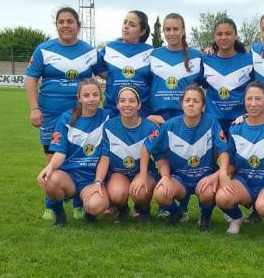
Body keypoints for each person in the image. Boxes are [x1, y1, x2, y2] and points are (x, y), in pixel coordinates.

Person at [25, 6, 101, 221]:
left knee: (79, 156)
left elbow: (106, 73)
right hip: (49, 114)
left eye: (70, 21)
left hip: (80, 116)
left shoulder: (89, 51)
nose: (66, 25)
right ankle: (52, 203)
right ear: (56, 25)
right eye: (61, 22)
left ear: (78, 25)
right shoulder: (43, 49)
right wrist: (34, 108)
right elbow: (31, 79)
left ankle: (78, 202)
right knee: (53, 158)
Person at [142, 84, 229, 231]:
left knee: (208, 193)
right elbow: (146, 146)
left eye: (196, 101)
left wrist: (221, 174)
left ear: (202, 106)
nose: (191, 103)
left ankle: (205, 216)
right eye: (187, 100)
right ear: (181, 104)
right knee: (160, 192)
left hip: (204, 177)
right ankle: (176, 213)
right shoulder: (170, 125)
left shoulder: (211, 122)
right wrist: (149, 176)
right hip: (179, 179)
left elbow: (224, 151)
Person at [215, 81, 264, 239]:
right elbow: (230, 161)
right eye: (249, 99)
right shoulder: (235, 128)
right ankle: (237, 218)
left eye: (258, 99)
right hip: (244, 182)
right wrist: (221, 175)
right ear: (244, 101)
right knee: (222, 197)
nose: (253, 103)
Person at [36, 78, 108, 226]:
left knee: (97, 206)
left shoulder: (107, 117)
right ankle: (59, 213)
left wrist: (98, 182)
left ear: (101, 97)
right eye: (86, 95)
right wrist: (50, 167)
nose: (91, 99)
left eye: (95, 95)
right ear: (79, 98)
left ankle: (89, 210)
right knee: (50, 180)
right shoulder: (66, 118)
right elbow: (60, 152)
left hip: (91, 178)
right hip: (69, 177)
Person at [84, 86, 157, 221]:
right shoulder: (109, 126)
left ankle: (143, 209)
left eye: (132, 101)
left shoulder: (150, 127)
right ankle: (121, 208)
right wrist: (98, 181)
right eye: (122, 101)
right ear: (117, 104)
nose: (127, 104)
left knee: (141, 191)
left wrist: (145, 176)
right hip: (119, 172)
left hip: (143, 172)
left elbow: (161, 157)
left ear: (139, 104)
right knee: (117, 194)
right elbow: (105, 158)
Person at [201, 18, 254, 137]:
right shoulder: (205, 60)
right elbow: (202, 85)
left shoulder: (248, 59)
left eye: (228, 33)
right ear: (214, 36)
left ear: (236, 35)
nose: (223, 37)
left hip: (241, 122)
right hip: (213, 123)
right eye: (219, 34)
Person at [148, 13, 203, 125]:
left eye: (176, 29)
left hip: (186, 117)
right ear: (163, 31)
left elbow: (205, 86)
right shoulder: (154, 55)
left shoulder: (197, 56)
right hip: (157, 118)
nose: (171, 33)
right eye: (168, 29)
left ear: (183, 31)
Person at [97, 10, 154, 115]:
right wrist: (115, 77)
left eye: (132, 25)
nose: (126, 26)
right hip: (112, 111)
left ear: (142, 31)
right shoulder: (109, 48)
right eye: (125, 22)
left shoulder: (151, 52)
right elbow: (99, 69)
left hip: (142, 114)